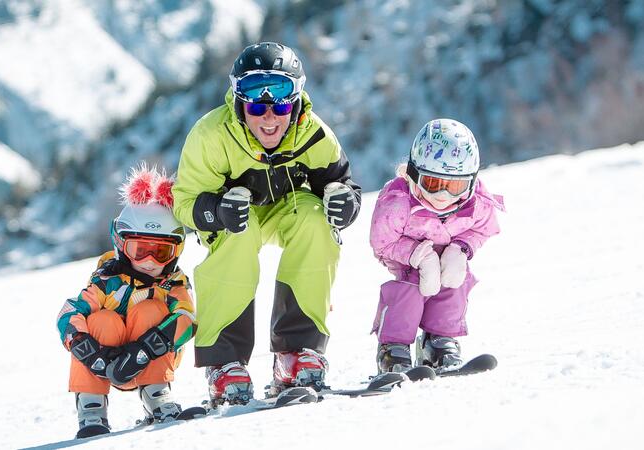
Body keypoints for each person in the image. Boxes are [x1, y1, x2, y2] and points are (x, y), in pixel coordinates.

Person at [171, 42, 361, 406]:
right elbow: (184, 201)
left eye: (282, 102)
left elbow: (343, 184)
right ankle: (224, 363)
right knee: (237, 236)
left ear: (298, 101)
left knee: (316, 219)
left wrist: (344, 204)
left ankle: (296, 352)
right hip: (235, 215)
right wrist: (218, 211)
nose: (269, 116)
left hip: (286, 209)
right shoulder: (212, 136)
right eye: (257, 104)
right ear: (240, 103)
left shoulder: (312, 134)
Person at [56, 167, 196, 438]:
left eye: (161, 252)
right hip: (103, 359)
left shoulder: (173, 284)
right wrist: (82, 344)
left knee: (152, 310)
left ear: (176, 251)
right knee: (100, 319)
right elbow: (72, 310)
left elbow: (186, 319)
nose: (149, 262)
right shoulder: (108, 280)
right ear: (122, 245)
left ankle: (158, 398)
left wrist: (146, 348)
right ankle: (91, 409)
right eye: (140, 250)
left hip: (151, 358)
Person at [369, 118, 505, 374]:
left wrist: (462, 249)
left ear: (471, 182)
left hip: (448, 254)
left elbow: (485, 228)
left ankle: (439, 342)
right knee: (410, 289)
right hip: (407, 259)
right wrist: (416, 255)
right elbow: (381, 241)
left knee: (454, 281)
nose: (443, 196)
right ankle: (393, 349)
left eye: (455, 186)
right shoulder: (399, 202)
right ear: (414, 174)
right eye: (433, 184)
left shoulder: (476, 203)